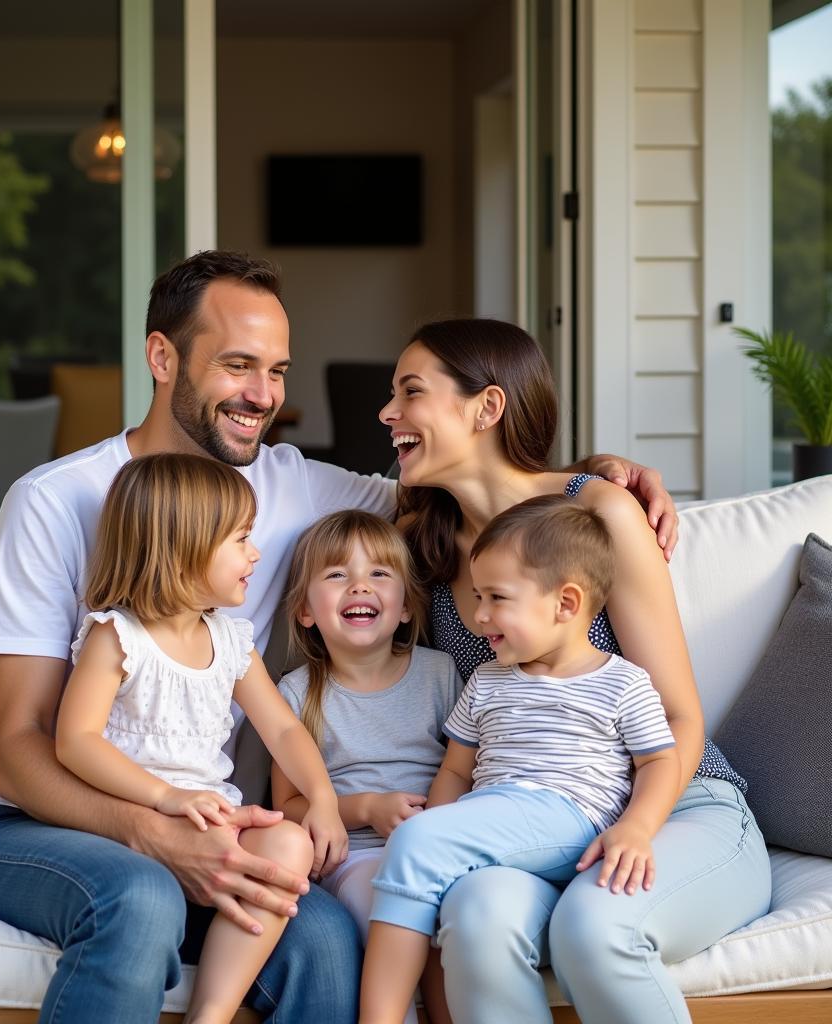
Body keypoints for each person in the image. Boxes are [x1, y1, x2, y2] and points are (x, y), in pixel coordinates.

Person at [0, 250, 679, 1024]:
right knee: (141, 897)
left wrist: (592, 482)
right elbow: (14, 749)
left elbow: (466, 477)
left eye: (277, 371)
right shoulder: (56, 503)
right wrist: (158, 835)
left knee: (326, 942)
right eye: (238, 365)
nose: (263, 396)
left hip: (205, 822)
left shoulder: (293, 484)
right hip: (4, 823)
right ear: (161, 357)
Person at [379, 318, 771, 1024]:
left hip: (676, 806)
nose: (387, 413)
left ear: (487, 408)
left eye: (410, 392)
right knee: (475, 917)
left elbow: (681, 717)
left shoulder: (598, 512)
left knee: (596, 926)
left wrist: (637, 828)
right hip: (533, 823)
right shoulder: (421, 546)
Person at [359, 494, 680, 1023]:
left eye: (497, 599)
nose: (479, 615)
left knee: (416, 843)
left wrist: (638, 827)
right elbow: (457, 770)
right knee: (450, 875)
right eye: (477, 595)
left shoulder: (622, 683)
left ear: (567, 603)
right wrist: (440, 824)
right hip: (502, 821)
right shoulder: (487, 681)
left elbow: (659, 761)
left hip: (575, 817)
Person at [56, 453, 347, 1024]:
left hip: (211, 823)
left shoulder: (231, 640)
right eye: (240, 540)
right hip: (128, 825)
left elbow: (284, 728)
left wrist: (324, 799)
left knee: (289, 846)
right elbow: (75, 741)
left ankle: (210, 1013)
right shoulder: (117, 637)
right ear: (181, 547)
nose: (256, 555)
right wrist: (166, 799)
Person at [272, 509, 464, 1024]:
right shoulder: (295, 692)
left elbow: (472, 767)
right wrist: (367, 808)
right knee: (386, 902)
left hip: (438, 847)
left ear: (404, 606)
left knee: (453, 920)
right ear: (306, 611)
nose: (360, 586)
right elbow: (287, 808)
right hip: (354, 858)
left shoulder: (440, 674)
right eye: (337, 575)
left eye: (379, 573)